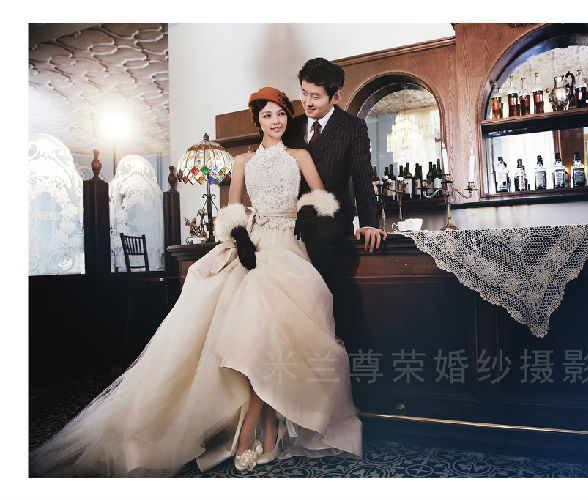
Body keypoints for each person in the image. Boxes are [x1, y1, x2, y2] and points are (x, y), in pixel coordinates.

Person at [29, 87, 363, 477]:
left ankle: (261, 429)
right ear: (257, 120)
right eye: (267, 115)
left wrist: (306, 212)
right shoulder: (242, 161)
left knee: (281, 339)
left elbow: (322, 198)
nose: (276, 121)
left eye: (281, 114)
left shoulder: (300, 156)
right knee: (260, 340)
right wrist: (240, 237)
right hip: (255, 249)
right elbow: (232, 209)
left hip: (290, 245)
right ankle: (262, 431)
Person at [284, 57, 387, 267]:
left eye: (316, 96)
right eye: (304, 93)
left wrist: (369, 224)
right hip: (293, 225)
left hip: (332, 226)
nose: (307, 102)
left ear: (336, 96)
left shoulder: (353, 128)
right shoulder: (290, 127)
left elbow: (362, 180)